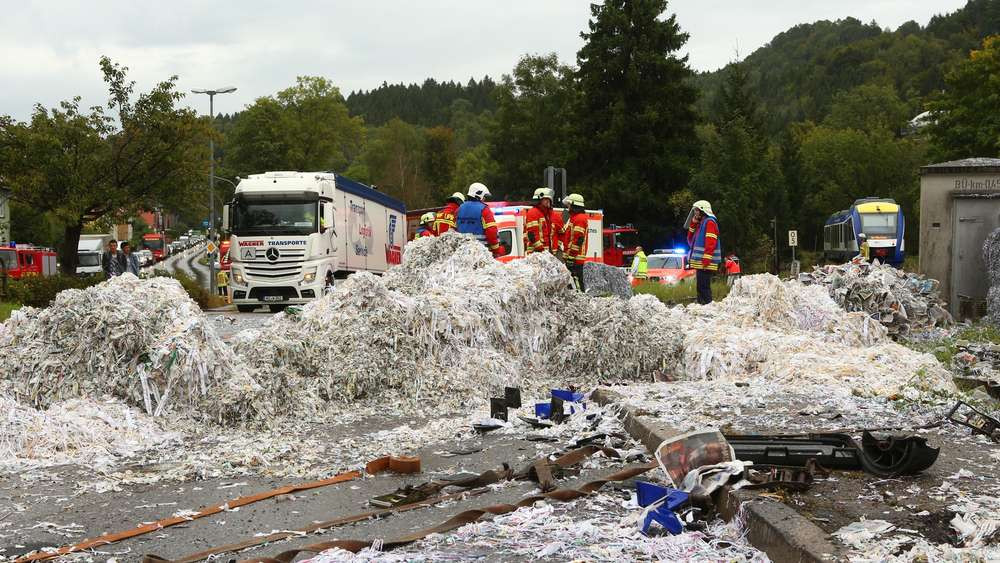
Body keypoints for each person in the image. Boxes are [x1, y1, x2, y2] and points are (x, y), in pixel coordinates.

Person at [686, 200, 721, 304]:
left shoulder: (710, 222)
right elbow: (690, 240)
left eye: (697, 210)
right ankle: (702, 305)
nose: (695, 213)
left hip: (705, 262)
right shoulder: (701, 223)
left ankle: (708, 306)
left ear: (703, 210)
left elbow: (711, 242)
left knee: (704, 287)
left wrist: (706, 259)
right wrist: (693, 224)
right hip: (701, 262)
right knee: (700, 287)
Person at [455, 182, 504, 257]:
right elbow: (491, 231)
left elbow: (454, 230)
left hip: (462, 253)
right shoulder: (484, 209)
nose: (484, 199)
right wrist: (497, 249)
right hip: (480, 254)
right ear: (479, 195)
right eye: (484, 197)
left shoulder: (459, 209)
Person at [561, 193, 590, 289]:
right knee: (573, 283)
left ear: (574, 205)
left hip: (575, 258)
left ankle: (581, 297)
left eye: (569, 205)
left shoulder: (579, 218)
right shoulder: (575, 218)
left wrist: (571, 257)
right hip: (573, 257)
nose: (568, 207)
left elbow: (578, 240)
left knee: (577, 283)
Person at [524, 188, 554, 254]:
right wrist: (541, 249)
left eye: (548, 199)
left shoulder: (545, 213)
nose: (548, 201)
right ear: (539, 199)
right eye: (545, 199)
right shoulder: (533, 212)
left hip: (544, 252)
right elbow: (532, 234)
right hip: (536, 253)